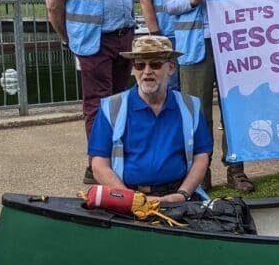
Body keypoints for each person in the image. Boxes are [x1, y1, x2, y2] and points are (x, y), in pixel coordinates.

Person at [163, 0, 255, 193]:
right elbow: (168, 5)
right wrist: (191, 0)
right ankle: (201, 172)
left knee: (234, 107)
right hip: (194, 44)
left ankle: (236, 169)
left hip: (231, 44)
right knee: (197, 111)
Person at [46, 0, 135, 184]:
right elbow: (53, 4)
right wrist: (67, 38)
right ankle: (96, 167)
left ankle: (115, 161)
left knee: (120, 103)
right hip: (93, 41)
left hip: (123, 37)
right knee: (98, 104)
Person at [88, 35, 212, 203]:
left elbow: (201, 157)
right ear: (133, 69)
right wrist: (130, 199)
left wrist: (182, 194)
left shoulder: (190, 106)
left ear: (171, 68)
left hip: (178, 195)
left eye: (155, 64)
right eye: (140, 65)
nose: (146, 71)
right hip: (128, 195)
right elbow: (99, 165)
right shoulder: (111, 107)